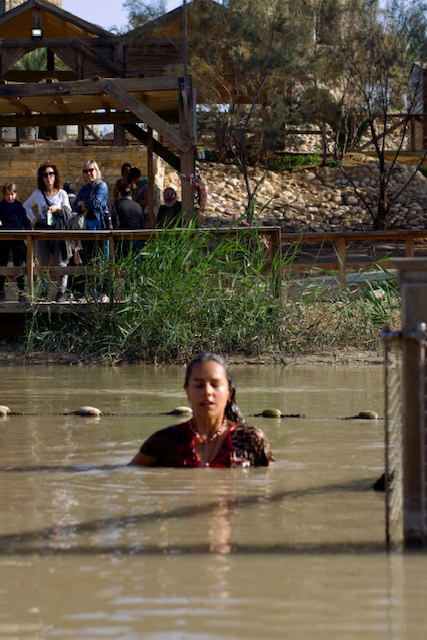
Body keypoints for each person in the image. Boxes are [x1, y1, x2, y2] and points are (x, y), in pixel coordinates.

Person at [129, 352, 274, 468]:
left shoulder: (250, 439)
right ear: (187, 390)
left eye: (215, 385)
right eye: (198, 385)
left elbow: (269, 483)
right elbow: (130, 472)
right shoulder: (165, 441)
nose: (207, 392)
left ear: (229, 392)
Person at [23, 163, 71, 301]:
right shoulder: (38, 193)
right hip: (43, 230)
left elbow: (68, 212)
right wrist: (33, 219)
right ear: (41, 177)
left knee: (60, 261)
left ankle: (61, 292)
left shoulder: (62, 193)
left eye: (51, 173)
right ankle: (43, 291)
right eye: (45, 174)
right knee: (43, 262)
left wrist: (57, 208)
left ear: (55, 176)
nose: (49, 177)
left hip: (58, 230)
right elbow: (26, 206)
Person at [70, 160, 109, 300]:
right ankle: (87, 292)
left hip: (98, 229)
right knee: (85, 261)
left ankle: (101, 292)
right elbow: (75, 206)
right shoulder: (85, 189)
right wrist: (86, 203)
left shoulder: (101, 186)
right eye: (85, 171)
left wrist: (84, 203)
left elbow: (98, 203)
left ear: (96, 170)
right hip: (85, 229)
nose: (89, 173)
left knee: (99, 261)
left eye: (91, 170)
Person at [0, 182, 31, 301]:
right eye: (7, 195)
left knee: (19, 265)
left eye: (12, 194)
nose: (10, 197)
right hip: (3, 239)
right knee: (2, 263)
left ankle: (21, 291)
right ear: (4, 195)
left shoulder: (19, 207)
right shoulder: (1, 206)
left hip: (17, 239)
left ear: (15, 194)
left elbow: (26, 223)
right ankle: (1, 290)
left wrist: (28, 232)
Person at [112, 183, 145, 258]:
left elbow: (116, 224)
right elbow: (142, 224)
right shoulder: (138, 206)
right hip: (137, 240)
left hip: (122, 240)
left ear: (119, 193)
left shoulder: (117, 205)